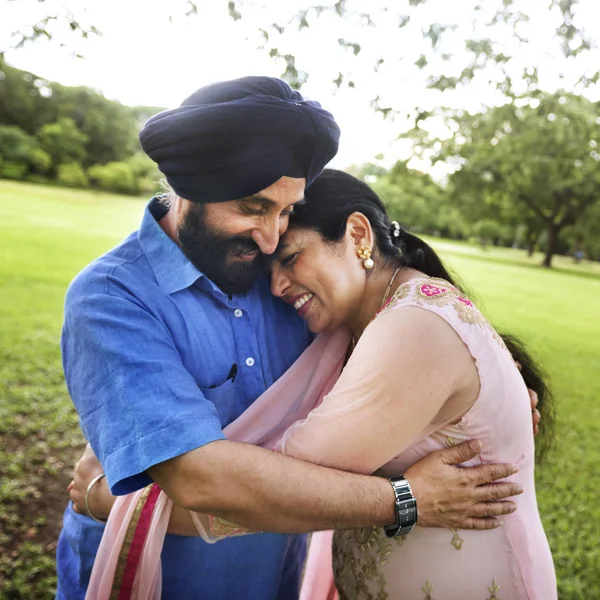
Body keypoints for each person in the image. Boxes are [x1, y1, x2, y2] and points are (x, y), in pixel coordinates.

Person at [58, 77, 528, 600]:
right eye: (254, 207)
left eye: (285, 212)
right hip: (163, 573)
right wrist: (402, 498)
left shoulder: (276, 277)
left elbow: (390, 328)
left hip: (274, 570)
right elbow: (201, 480)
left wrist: (490, 391)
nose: (269, 237)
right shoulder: (110, 296)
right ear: (188, 189)